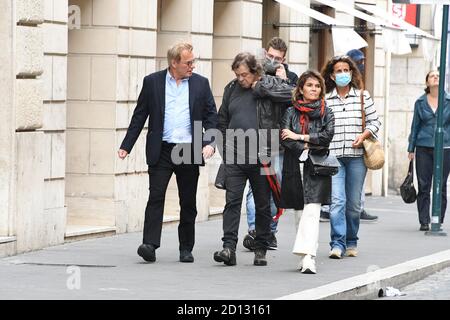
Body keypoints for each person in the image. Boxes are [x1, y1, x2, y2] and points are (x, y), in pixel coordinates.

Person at [118, 42, 218, 263]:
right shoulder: (152, 82)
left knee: (188, 201)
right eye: (188, 62)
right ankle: (149, 244)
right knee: (156, 196)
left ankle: (186, 248)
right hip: (162, 148)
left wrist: (210, 142)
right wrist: (127, 145)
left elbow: (212, 116)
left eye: (193, 61)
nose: (192, 66)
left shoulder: (201, 84)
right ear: (174, 63)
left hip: (189, 149)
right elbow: (139, 115)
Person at [213, 52, 292, 266]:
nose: (241, 79)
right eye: (238, 75)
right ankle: (228, 248)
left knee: (262, 204)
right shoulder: (231, 88)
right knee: (232, 202)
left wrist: (262, 87)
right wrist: (225, 152)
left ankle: (261, 248)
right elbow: (222, 120)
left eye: (245, 75)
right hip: (235, 157)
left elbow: (292, 95)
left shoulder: (269, 83)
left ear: (255, 71)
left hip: (263, 156)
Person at [321, 55, 381, 259]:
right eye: (338, 71)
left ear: (352, 73)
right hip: (334, 157)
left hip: (357, 158)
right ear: (332, 75)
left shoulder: (363, 96)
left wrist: (364, 135)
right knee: (337, 201)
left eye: (346, 70)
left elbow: (375, 122)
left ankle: (351, 241)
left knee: (354, 204)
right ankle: (337, 243)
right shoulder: (326, 99)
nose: (343, 74)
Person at [243, 37, 298, 251]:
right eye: (270, 56)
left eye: (278, 58)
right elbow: (255, 94)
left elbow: (295, 98)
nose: (273, 61)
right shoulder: (256, 72)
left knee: (276, 186)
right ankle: (255, 230)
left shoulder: (291, 77)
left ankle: (270, 230)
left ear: (284, 59)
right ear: (266, 52)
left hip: (281, 141)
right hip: (258, 138)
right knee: (255, 188)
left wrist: (284, 82)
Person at [280, 70, 335, 274]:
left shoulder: (326, 112)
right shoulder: (290, 112)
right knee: (300, 212)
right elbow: (285, 138)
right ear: (301, 88)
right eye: (310, 85)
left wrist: (300, 136)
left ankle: (309, 258)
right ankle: (305, 256)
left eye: (317, 86)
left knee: (312, 210)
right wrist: (304, 145)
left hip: (317, 167)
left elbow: (326, 137)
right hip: (294, 166)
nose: (314, 89)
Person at [407, 70, 450, 231]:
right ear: (427, 83)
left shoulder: (448, 100)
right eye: (432, 76)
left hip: (445, 147)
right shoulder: (420, 102)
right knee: (424, 185)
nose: (435, 77)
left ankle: (438, 218)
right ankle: (424, 220)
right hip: (423, 147)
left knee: (441, 184)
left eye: (438, 75)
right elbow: (415, 126)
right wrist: (411, 148)